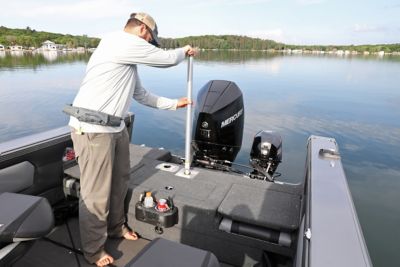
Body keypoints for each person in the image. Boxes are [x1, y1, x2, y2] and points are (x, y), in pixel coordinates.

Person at [68, 12, 197, 267]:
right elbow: (168, 59)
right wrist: (185, 50)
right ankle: (94, 251)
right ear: (141, 30)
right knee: (96, 194)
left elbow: (141, 94)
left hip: (115, 127)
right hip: (93, 129)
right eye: (150, 39)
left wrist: (173, 104)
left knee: (119, 181)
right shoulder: (119, 42)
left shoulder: (127, 58)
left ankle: (115, 228)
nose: (150, 44)